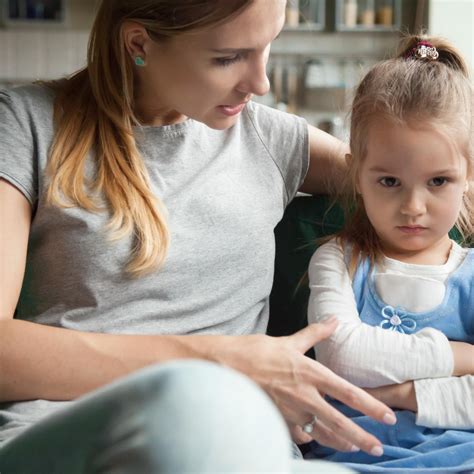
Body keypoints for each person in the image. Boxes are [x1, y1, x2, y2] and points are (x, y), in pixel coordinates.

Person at [0, 1, 398, 472]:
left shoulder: (271, 140)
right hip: (76, 441)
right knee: (194, 403)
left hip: (243, 452)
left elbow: (414, 179)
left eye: (268, 46)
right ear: (139, 44)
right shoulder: (26, 124)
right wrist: (219, 362)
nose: (261, 83)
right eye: (227, 58)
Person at [307, 34, 474, 472]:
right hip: (347, 460)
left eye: (438, 182)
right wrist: (463, 359)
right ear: (356, 175)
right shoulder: (338, 261)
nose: (413, 207)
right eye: (389, 182)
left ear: (468, 176)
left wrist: (401, 394)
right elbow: (343, 356)